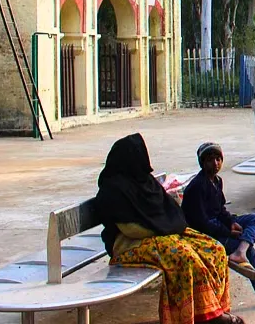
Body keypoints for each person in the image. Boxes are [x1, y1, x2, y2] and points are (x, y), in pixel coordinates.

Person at [93, 134, 243, 324]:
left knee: (214, 249)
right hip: (129, 245)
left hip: (160, 234)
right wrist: (165, 227)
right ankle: (200, 317)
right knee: (185, 257)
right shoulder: (113, 189)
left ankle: (213, 309)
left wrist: (167, 226)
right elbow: (130, 229)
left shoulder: (144, 181)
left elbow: (168, 210)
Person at [182, 143, 255, 310]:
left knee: (254, 219)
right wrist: (228, 231)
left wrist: (231, 222)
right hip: (204, 234)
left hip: (218, 225)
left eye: (218, 159)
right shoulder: (197, 186)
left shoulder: (216, 181)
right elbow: (202, 223)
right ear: (202, 162)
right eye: (210, 160)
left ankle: (239, 252)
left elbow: (220, 209)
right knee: (251, 250)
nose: (215, 164)